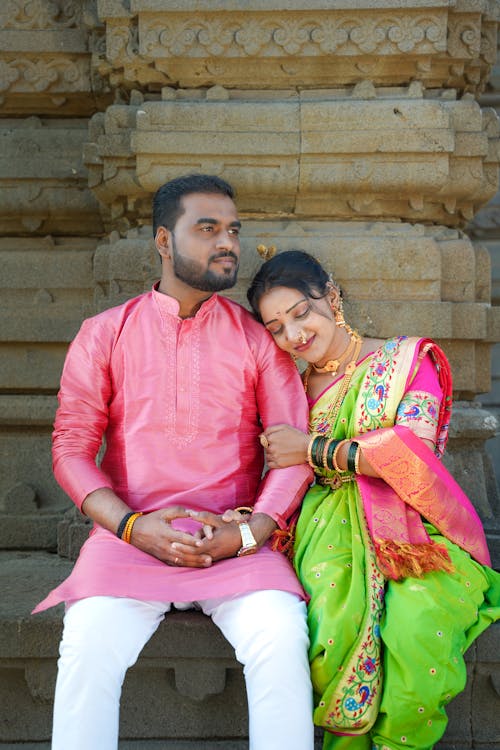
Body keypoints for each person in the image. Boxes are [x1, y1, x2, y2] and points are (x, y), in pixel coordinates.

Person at [33, 176, 316, 750]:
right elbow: (70, 448)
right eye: (207, 229)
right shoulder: (103, 335)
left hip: (237, 542)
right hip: (127, 541)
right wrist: (133, 527)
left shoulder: (258, 341)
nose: (227, 243)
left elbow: (293, 449)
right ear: (164, 240)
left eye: (233, 230)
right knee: (86, 644)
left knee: (281, 636)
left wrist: (248, 532)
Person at [246, 249, 500, 750]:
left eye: (301, 313)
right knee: (330, 623)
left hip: (415, 528)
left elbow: (415, 452)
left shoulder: (406, 361)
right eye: (276, 328)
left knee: (417, 626)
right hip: (325, 534)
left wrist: (315, 449)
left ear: (331, 297)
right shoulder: (286, 390)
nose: (295, 336)